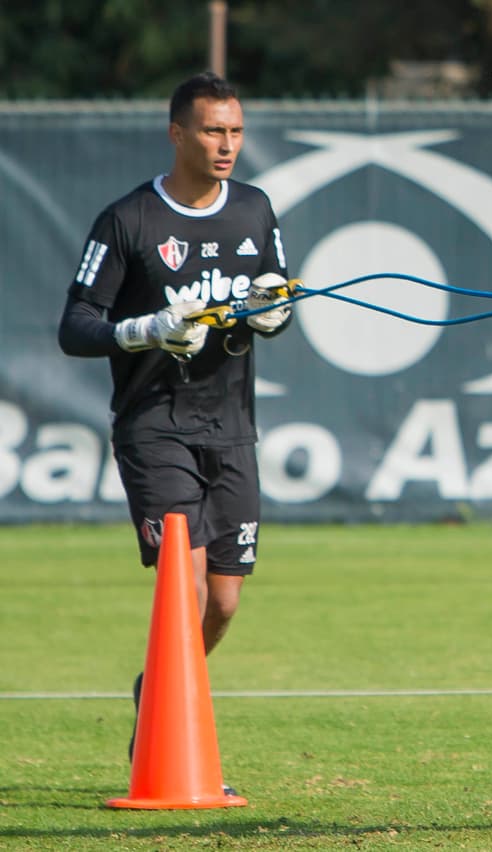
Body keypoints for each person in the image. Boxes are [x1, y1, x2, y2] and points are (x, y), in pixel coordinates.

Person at [57, 71, 294, 769]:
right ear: (177, 134)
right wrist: (146, 331)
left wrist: (274, 311)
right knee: (182, 586)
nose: (228, 145)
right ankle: (168, 731)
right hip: (154, 421)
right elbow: (75, 325)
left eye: (237, 131)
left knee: (222, 603)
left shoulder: (255, 209)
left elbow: (273, 296)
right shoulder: (128, 219)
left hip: (231, 425)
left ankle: (154, 686)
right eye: (213, 131)